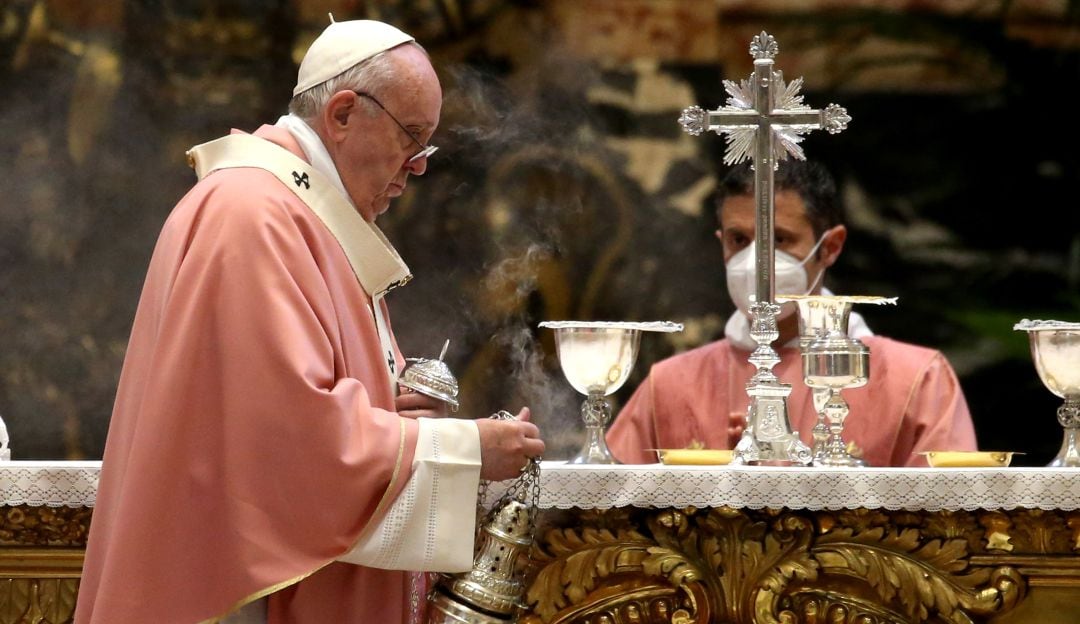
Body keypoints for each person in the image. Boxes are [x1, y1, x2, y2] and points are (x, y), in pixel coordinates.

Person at [75, 19, 545, 624]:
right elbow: (289, 444)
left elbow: (274, 412)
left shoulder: (299, 215)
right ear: (344, 114)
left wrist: (389, 414)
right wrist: (462, 450)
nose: (420, 165)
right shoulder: (251, 215)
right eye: (412, 136)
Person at [606, 160, 976, 467]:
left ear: (830, 247)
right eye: (739, 240)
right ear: (721, 244)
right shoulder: (671, 385)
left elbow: (951, 529)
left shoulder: (915, 380)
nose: (757, 262)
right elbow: (604, 520)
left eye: (779, 240)